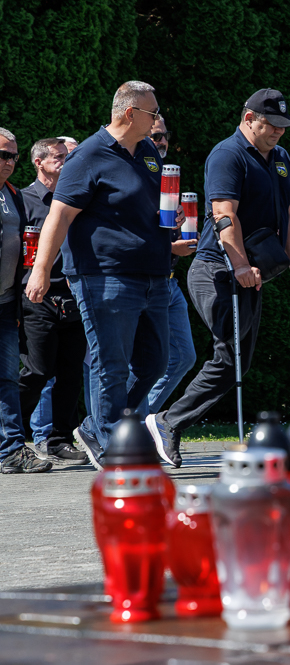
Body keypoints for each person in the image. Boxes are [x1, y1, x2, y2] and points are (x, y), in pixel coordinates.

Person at [146, 88, 290, 467]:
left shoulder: (280, 157)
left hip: (251, 272)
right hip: (216, 269)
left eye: (283, 126)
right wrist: (238, 265)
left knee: (237, 361)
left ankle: (166, 421)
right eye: (272, 124)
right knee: (229, 356)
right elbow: (224, 213)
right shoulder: (227, 154)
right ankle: (165, 422)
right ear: (249, 119)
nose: (279, 132)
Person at [26, 81, 172, 470]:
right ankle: (110, 443)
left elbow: (145, 208)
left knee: (156, 362)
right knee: (111, 363)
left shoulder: (147, 152)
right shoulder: (88, 156)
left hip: (154, 274)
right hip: (104, 275)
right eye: (153, 112)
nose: (158, 120)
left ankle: (96, 426)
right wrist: (41, 269)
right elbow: (59, 216)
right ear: (130, 113)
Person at [19, 138, 88, 464]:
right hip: (37, 296)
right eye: (58, 157)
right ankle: (9, 435)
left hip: (74, 295)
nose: (65, 161)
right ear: (39, 162)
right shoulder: (23, 201)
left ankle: (59, 439)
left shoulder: (78, 198)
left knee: (70, 374)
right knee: (38, 370)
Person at [132, 116, 197, 416]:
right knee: (143, 361)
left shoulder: (164, 176)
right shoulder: (136, 174)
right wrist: (172, 247)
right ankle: (118, 422)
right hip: (143, 281)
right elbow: (131, 236)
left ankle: (140, 420)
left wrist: (180, 231)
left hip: (168, 280)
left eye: (164, 136)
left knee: (183, 357)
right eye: (155, 136)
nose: (161, 142)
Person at [0, 128, 53, 473]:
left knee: (7, 378)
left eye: (13, 156)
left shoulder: (13, 195)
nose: (9, 162)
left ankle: (11, 451)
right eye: (3, 155)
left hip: (6, 303)